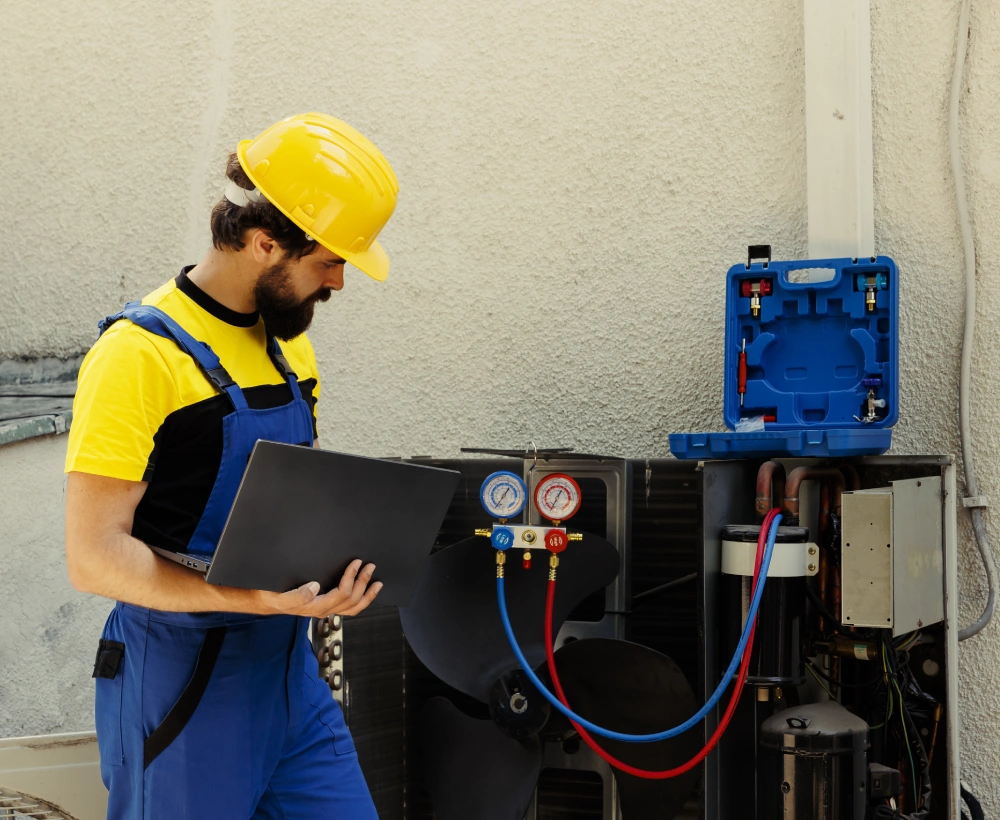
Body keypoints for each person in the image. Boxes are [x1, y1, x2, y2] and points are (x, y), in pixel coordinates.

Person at [64, 112, 398, 819]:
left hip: (286, 678)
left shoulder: (288, 344)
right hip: (181, 681)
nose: (339, 281)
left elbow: (287, 507)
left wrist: (342, 564)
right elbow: (93, 558)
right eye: (329, 260)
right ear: (262, 242)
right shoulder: (137, 357)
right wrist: (253, 599)